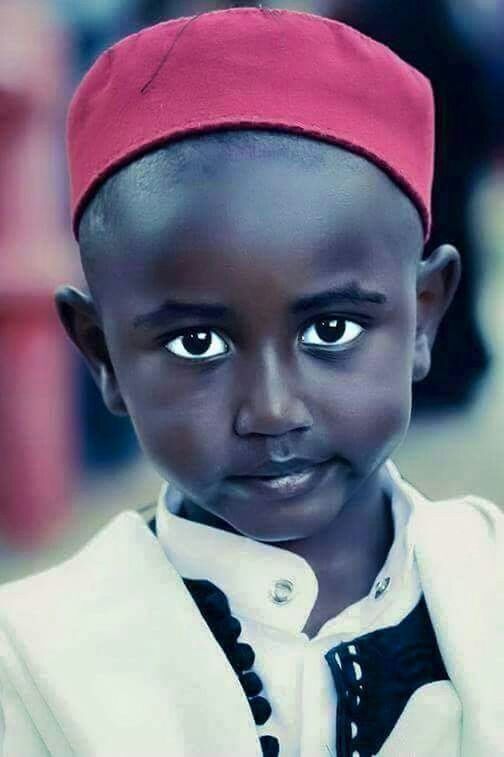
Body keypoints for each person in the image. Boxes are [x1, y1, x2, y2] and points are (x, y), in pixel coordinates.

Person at [0, 6, 502, 756]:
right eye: (197, 343)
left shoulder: (488, 582)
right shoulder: (31, 662)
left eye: (330, 330)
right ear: (101, 354)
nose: (270, 410)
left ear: (424, 315)